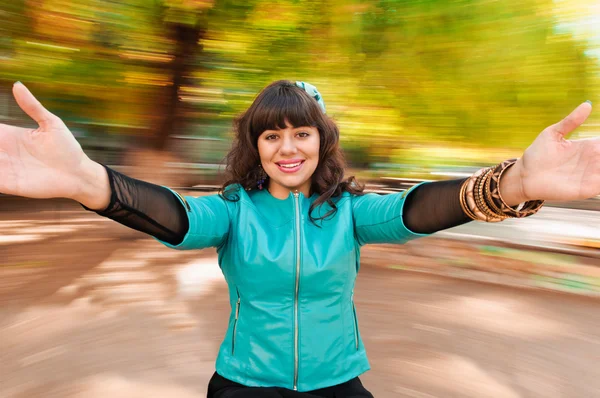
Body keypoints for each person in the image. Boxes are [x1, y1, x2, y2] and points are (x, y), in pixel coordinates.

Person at [0, 80, 596, 397]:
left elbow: (416, 210)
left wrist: (513, 183)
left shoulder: (350, 214)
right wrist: (87, 180)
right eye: (271, 136)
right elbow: (176, 218)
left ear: (322, 141)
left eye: (302, 133)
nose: (287, 148)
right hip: (244, 385)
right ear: (255, 147)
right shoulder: (233, 210)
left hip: (339, 383)